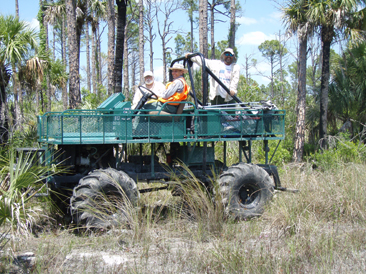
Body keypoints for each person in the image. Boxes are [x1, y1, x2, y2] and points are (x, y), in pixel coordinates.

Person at [133, 63, 189, 131]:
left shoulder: (177, 82)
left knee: (143, 108)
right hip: (170, 106)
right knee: (146, 107)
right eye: (173, 71)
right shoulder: (180, 81)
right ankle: (143, 131)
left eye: (176, 71)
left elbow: (165, 95)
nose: (173, 73)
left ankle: (134, 131)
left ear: (181, 72)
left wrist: (156, 95)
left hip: (169, 107)